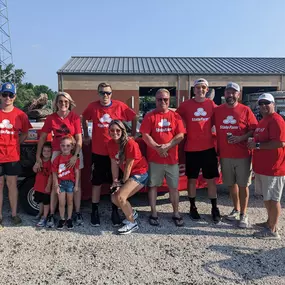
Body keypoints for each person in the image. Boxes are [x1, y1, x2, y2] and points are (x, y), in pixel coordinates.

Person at [82, 82, 137, 227]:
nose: (105, 95)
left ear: (112, 94)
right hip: (98, 152)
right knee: (97, 182)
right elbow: (83, 118)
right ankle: (94, 211)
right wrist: (86, 135)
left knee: (116, 181)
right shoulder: (92, 107)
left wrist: (133, 134)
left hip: (117, 152)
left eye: (108, 93)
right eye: (102, 92)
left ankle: (115, 210)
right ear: (98, 93)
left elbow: (134, 116)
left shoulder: (119, 106)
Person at [34, 92, 83, 228]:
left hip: (73, 151)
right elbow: (43, 138)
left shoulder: (74, 117)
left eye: (66, 102)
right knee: (55, 183)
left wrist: (75, 156)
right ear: (56, 103)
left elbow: (79, 138)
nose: (63, 104)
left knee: (75, 182)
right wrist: (38, 157)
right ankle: (50, 214)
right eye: (60, 101)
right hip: (57, 151)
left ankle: (77, 212)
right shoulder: (51, 118)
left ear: (70, 103)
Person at [176, 78, 221, 223]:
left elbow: (222, 121)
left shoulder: (212, 105)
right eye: (197, 87)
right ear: (193, 90)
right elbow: (174, 118)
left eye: (203, 88)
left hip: (208, 149)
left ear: (207, 90)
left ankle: (214, 208)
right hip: (191, 149)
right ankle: (192, 207)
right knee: (191, 179)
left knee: (211, 180)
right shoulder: (185, 105)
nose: (200, 90)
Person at [214, 82, 258, 228]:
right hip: (225, 155)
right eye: (228, 92)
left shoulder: (245, 110)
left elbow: (253, 130)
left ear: (238, 94)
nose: (230, 95)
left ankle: (243, 214)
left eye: (234, 92)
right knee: (230, 184)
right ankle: (236, 209)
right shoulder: (218, 110)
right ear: (224, 94)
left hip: (243, 155)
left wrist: (240, 138)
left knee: (243, 185)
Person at [140, 88, 185, 227]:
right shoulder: (150, 116)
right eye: (159, 99)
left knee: (173, 188)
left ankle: (176, 213)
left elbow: (180, 135)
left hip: (172, 160)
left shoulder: (175, 116)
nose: (162, 102)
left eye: (165, 99)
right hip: (155, 159)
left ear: (169, 99)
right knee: (153, 186)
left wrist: (167, 146)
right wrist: (158, 148)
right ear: (155, 100)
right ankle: (154, 213)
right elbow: (145, 135)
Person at [248, 93, 285, 240]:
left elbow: (280, 143)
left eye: (267, 103)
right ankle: (269, 222)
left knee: (273, 199)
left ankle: (273, 230)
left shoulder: (277, 120)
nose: (263, 106)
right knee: (266, 197)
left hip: (274, 168)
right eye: (261, 103)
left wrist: (257, 144)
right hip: (263, 167)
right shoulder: (263, 121)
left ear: (273, 104)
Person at [108, 120, 148, 234]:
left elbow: (129, 165)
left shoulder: (130, 143)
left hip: (139, 173)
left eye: (117, 130)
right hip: (129, 174)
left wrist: (122, 182)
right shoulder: (110, 144)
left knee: (121, 196)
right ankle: (132, 212)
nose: (114, 132)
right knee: (114, 198)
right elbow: (114, 163)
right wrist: (115, 180)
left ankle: (132, 223)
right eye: (112, 130)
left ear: (123, 131)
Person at [0, 82, 32, 228]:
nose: (7, 97)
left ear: (15, 97)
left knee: (11, 185)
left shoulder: (21, 115)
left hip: (12, 156)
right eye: (4, 94)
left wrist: (15, 143)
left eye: (10, 95)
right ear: (1, 95)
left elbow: (25, 133)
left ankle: (13, 214)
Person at [52, 135, 80, 230]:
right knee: (61, 202)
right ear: (60, 146)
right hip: (61, 183)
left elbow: (77, 172)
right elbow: (54, 173)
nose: (65, 148)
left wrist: (76, 185)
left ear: (72, 147)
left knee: (70, 202)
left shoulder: (74, 159)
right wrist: (56, 185)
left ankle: (69, 219)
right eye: (63, 145)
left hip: (70, 183)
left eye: (68, 146)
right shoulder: (57, 159)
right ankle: (62, 219)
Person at [32, 142, 52, 227]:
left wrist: (48, 186)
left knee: (46, 202)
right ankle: (40, 213)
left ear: (51, 152)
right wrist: (36, 166)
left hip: (46, 187)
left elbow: (51, 175)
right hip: (38, 185)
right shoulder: (39, 160)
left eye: (48, 151)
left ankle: (45, 216)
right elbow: (34, 171)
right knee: (40, 201)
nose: (46, 153)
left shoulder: (51, 162)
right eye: (44, 151)